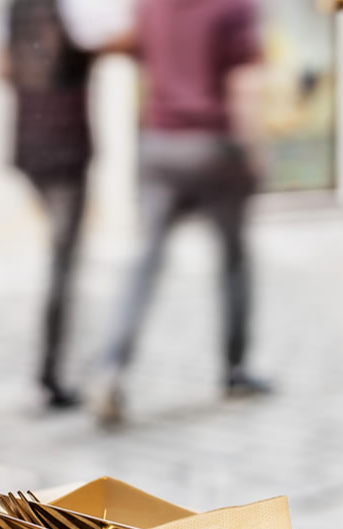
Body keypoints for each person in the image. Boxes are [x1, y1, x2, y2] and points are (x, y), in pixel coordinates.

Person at [96, 0, 270, 424]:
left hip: (161, 144)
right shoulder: (235, 5)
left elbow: (121, 44)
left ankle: (111, 370)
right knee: (233, 261)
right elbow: (245, 82)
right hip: (214, 145)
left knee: (146, 261)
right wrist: (255, 151)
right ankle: (234, 369)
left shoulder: (151, 5)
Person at [0, 0, 95, 409]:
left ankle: (51, 369)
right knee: (62, 264)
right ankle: (50, 373)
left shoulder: (15, 7)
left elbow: (1, 68)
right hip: (64, 145)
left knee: (60, 262)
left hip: (31, 139)